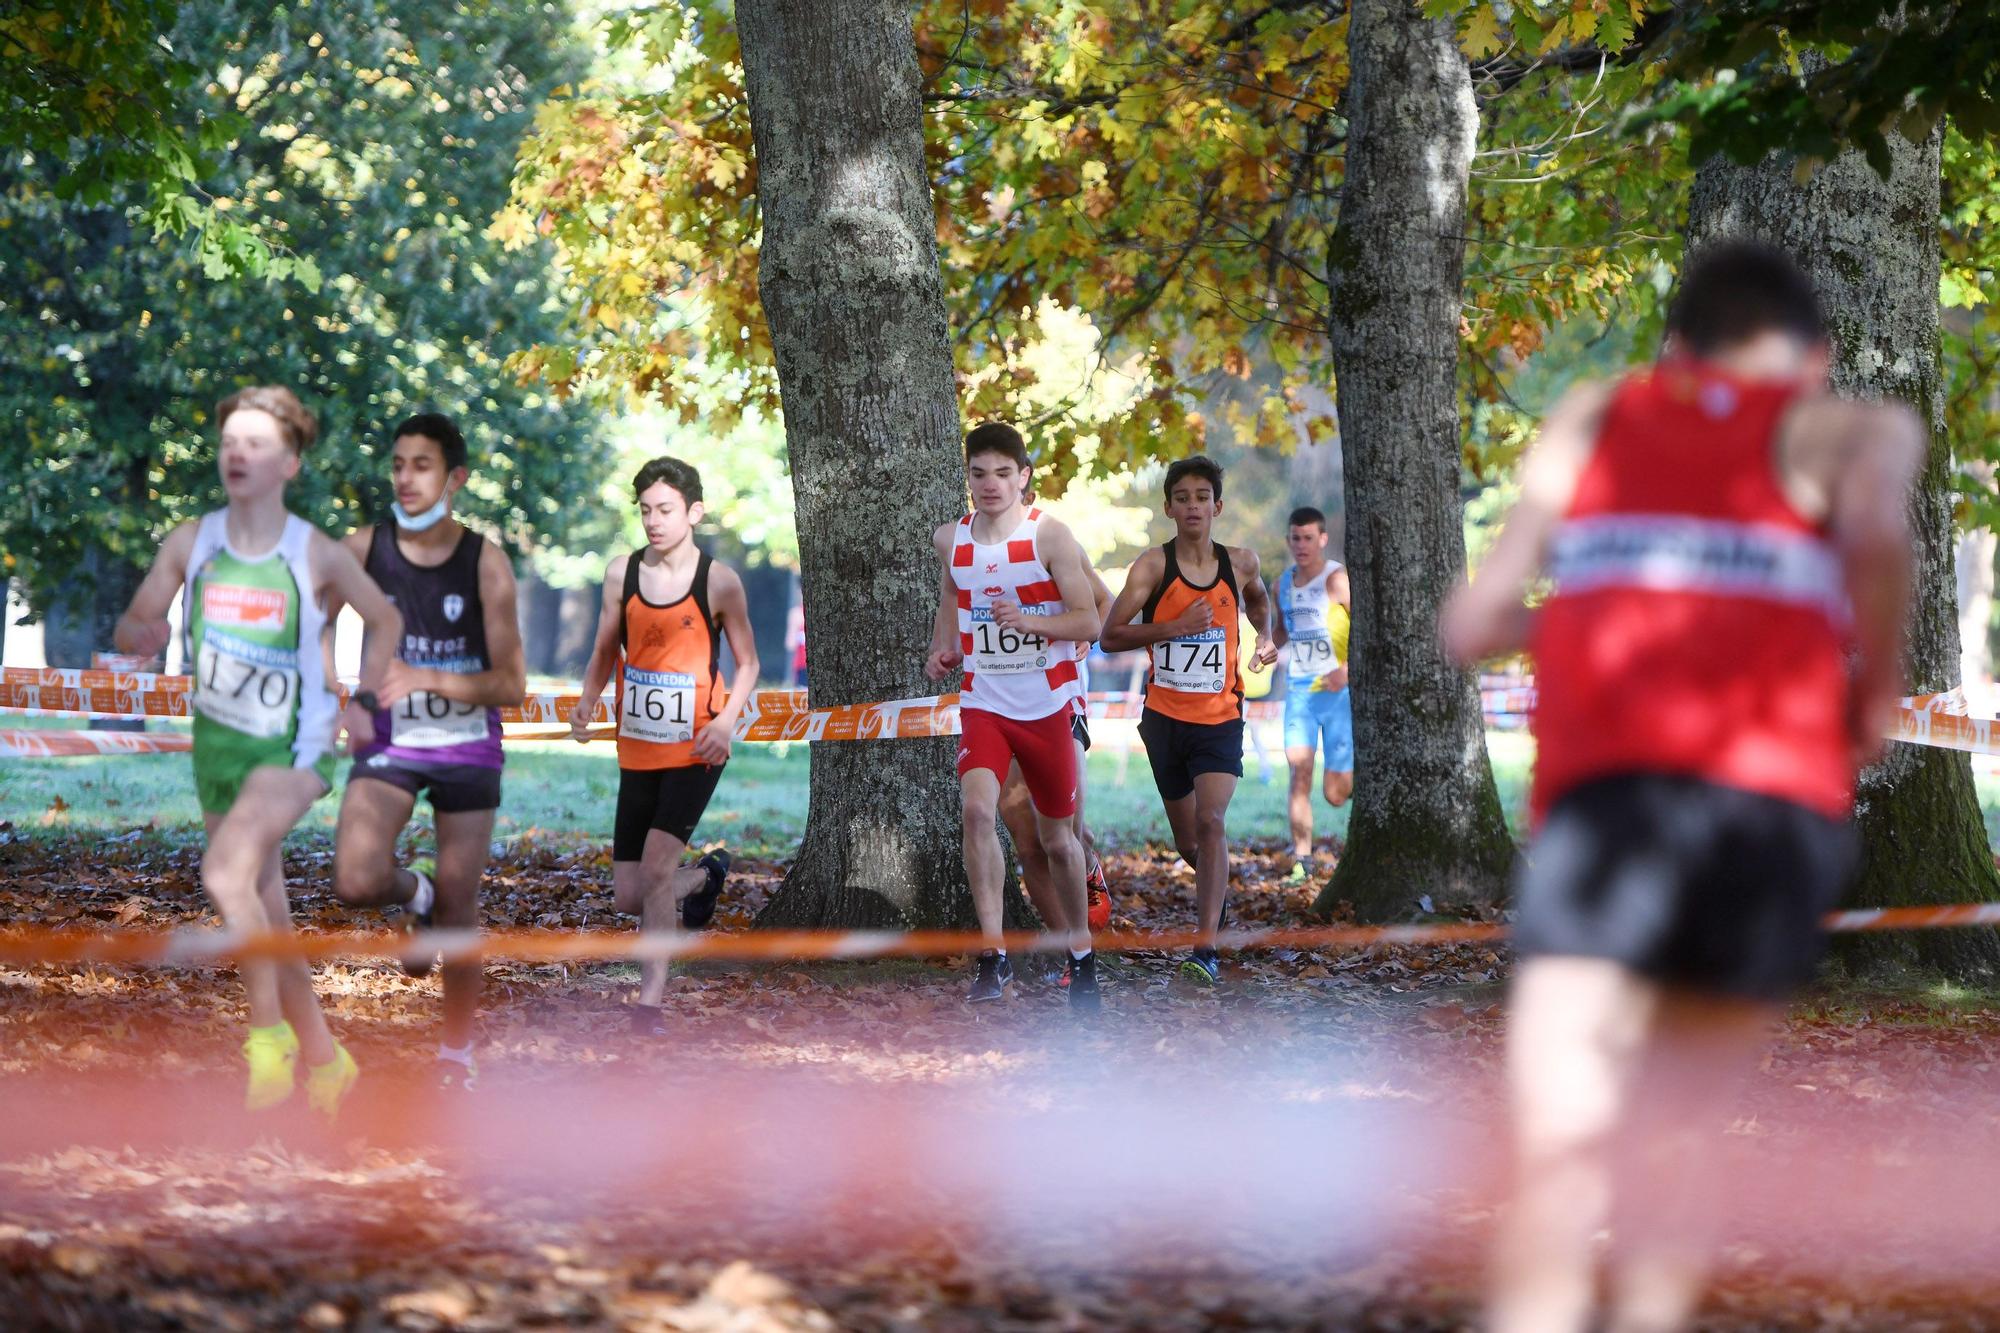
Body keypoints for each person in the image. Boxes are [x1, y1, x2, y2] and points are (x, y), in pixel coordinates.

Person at [1442, 240, 1920, 1333]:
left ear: (1671, 350)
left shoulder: (1595, 415)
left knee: (1557, 1134)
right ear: (1818, 356)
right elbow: (1878, 534)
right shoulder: (1854, 425)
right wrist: (1872, 698)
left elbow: (1469, 624)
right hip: (1773, 810)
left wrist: (1576, 609)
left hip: (1610, 801)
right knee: (1680, 1131)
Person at [115, 386, 402, 1117]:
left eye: (256, 443)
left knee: (223, 872)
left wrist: (367, 699)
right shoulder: (191, 540)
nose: (236, 453)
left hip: (293, 747)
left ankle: (265, 1041)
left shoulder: (315, 551)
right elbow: (139, 614)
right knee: (266, 918)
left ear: (291, 463)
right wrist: (139, 633)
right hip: (219, 749)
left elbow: (385, 617)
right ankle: (329, 1062)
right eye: (228, 441)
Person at [329, 413, 526, 1091]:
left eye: (422, 465)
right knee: (355, 880)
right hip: (393, 739)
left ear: (455, 478)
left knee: (462, 908)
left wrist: (427, 677)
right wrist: (340, 694)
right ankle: (415, 893)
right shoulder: (364, 547)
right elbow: (313, 610)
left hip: (468, 747)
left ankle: (456, 1054)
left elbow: (513, 685)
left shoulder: (484, 560)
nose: (406, 478)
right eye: (398, 464)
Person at [571, 457, 759, 1037]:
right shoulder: (620, 573)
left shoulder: (718, 580)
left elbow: (750, 663)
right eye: (646, 510)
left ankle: (649, 1002)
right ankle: (705, 878)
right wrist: (586, 699)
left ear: (693, 512)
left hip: (698, 747)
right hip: (639, 747)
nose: (654, 521)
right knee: (631, 894)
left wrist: (726, 723)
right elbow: (606, 647)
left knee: (654, 869)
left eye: (666, 510)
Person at [926, 422, 1103, 1010]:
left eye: (1003, 473)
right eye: (979, 474)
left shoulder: (1049, 535)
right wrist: (943, 648)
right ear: (967, 477)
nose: (990, 484)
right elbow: (954, 595)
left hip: (1048, 704)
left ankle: (1082, 956)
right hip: (985, 701)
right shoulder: (950, 539)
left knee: (1058, 842)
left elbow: (1090, 620)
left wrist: (1032, 623)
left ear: (1024, 477)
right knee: (977, 812)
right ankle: (993, 955)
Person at [1099, 456, 1275, 985]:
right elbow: (1110, 638)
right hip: (1164, 720)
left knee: (1212, 821)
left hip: (1219, 718)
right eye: (1183, 497)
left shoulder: (1241, 562)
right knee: (1188, 844)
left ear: (1217, 506)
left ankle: (1206, 951)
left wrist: (1264, 637)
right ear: (1169, 506)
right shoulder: (1152, 567)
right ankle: (1215, 894)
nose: (1193, 505)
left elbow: (1259, 602)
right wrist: (1174, 627)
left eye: (1203, 496)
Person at [997, 560, 1115, 969]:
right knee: (1027, 843)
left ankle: (1090, 865)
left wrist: (1088, 631)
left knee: (1065, 835)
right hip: (1002, 705)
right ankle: (1071, 951)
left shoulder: (1056, 543)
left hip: (1060, 702)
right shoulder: (971, 550)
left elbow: (1105, 603)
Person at [1269, 506, 1353, 881]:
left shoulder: (1336, 579)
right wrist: (1263, 650)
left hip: (1338, 693)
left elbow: (1368, 626)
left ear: (1322, 539)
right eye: (1295, 538)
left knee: (1336, 794)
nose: (1300, 545)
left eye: (1308, 538)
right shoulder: (1281, 584)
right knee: (1298, 773)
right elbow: (1281, 632)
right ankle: (1303, 860)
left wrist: (1347, 672)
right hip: (1300, 691)